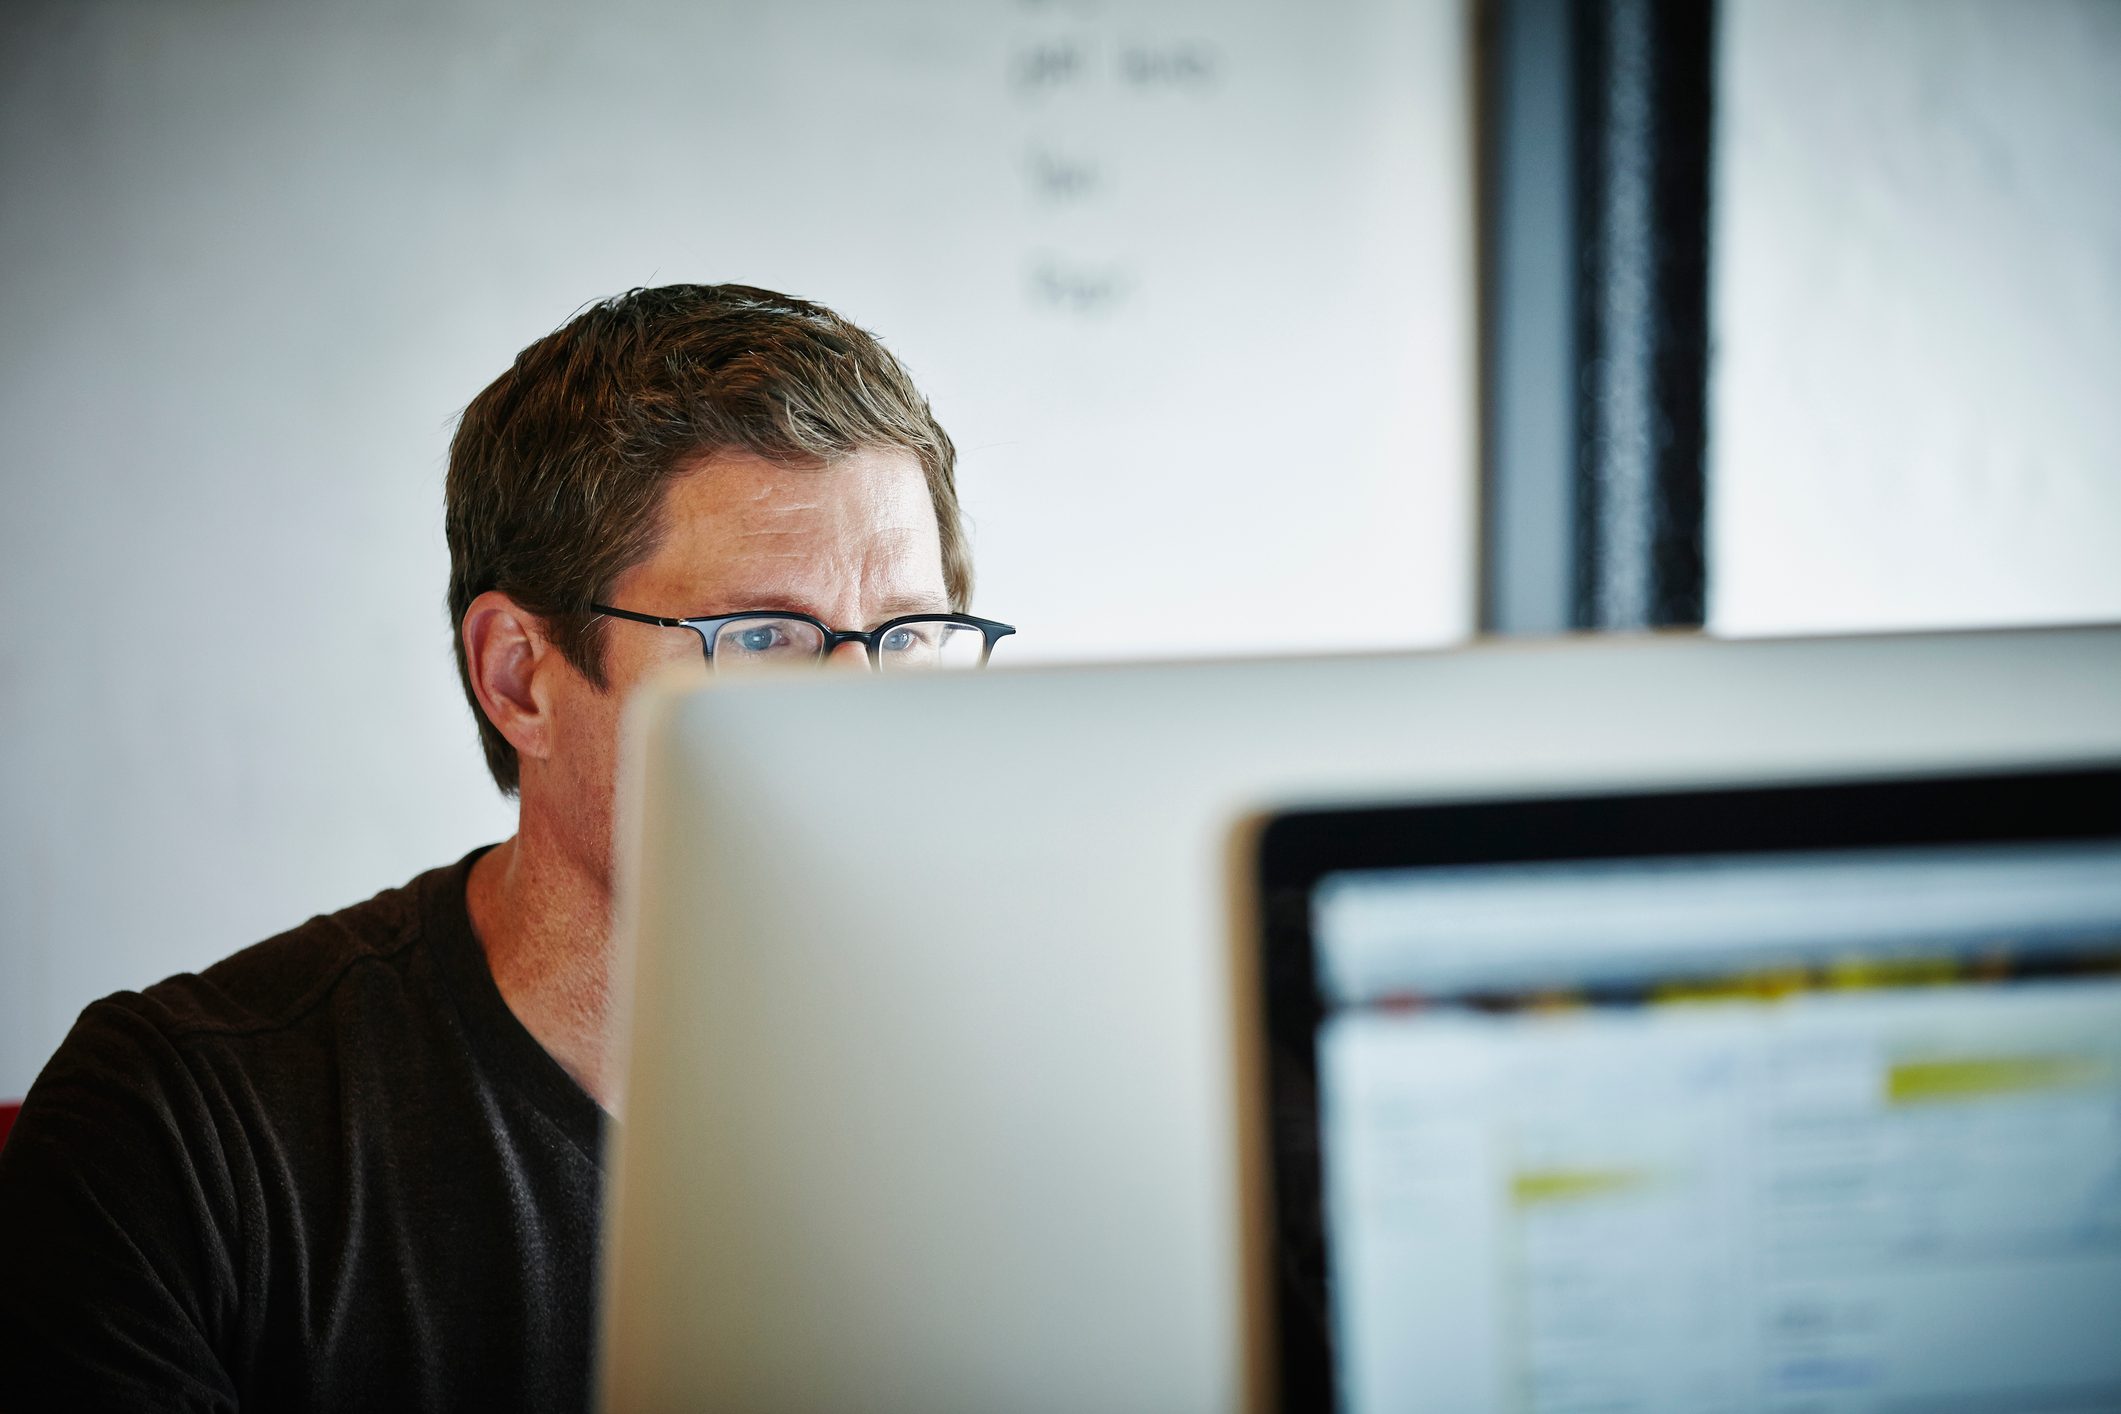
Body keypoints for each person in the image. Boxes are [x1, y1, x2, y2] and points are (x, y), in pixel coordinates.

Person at [0, 284, 1010, 1411]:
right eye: (763, 637)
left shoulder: (1052, 1090)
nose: (863, 716)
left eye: (910, 637)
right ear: (520, 677)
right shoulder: (180, 1135)